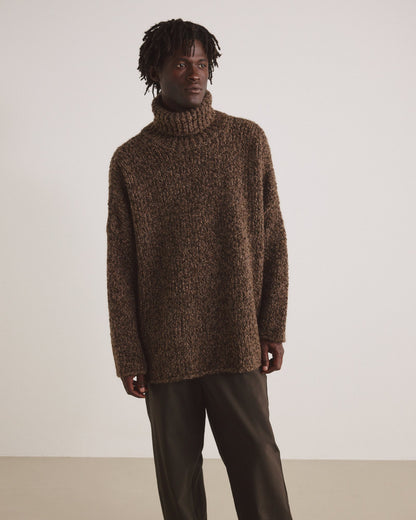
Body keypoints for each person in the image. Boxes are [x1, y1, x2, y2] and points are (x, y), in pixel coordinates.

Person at [106, 18, 293, 520]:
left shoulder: (246, 140)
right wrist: (128, 351)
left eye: (202, 63)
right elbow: (120, 266)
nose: (194, 74)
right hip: (165, 347)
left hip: (236, 336)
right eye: (180, 64)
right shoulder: (131, 160)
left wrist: (272, 324)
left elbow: (273, 239)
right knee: (179, 482)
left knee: (258, 467)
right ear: (155, 71)